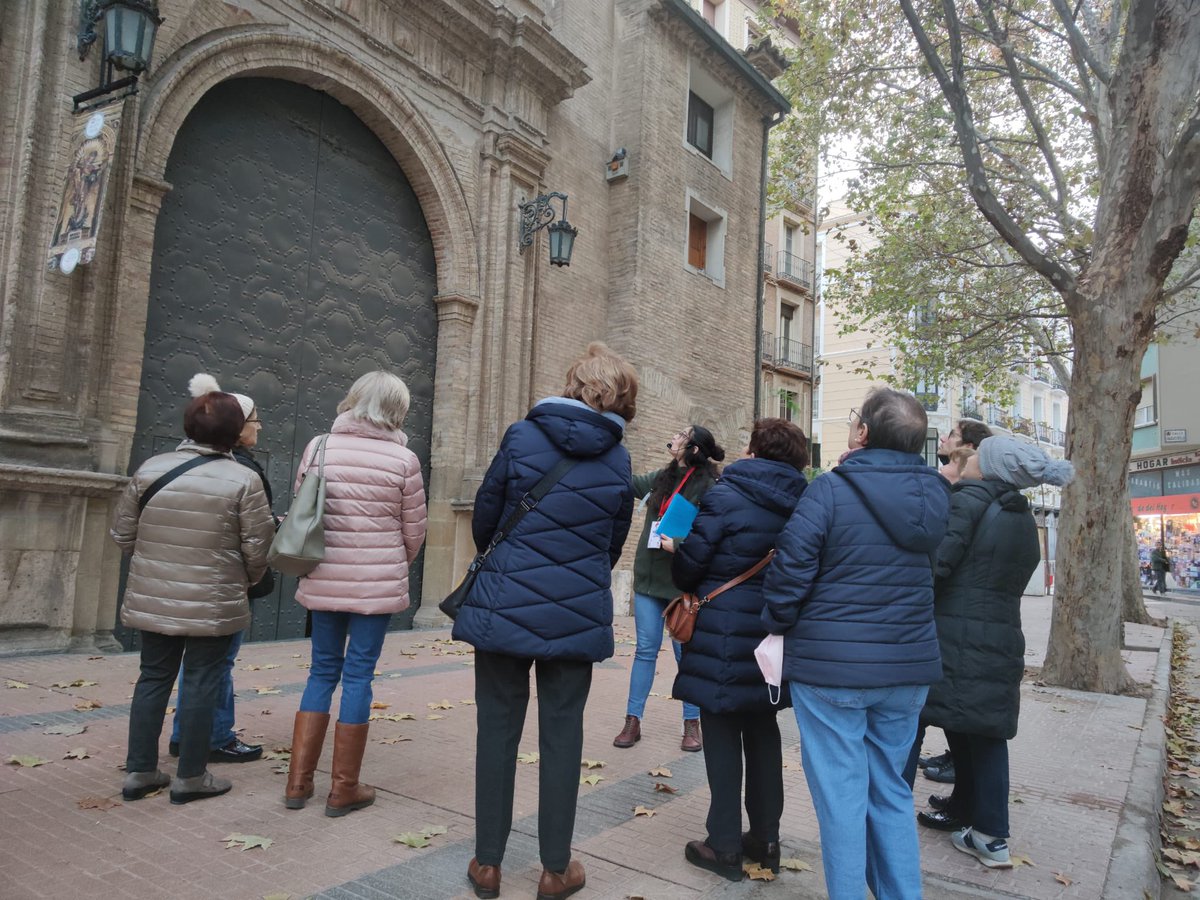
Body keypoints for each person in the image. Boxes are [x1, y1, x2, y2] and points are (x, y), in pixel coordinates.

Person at [452, 342, 638, 900]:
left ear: (573, 384)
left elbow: (487, 516)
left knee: (496, 731)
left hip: (504, 606)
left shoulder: (521, 435)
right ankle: (556, 869)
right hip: (575, 614)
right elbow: (613, 542)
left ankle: (488, 864)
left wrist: (512, 564)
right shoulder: (619, 459)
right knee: (563, 736)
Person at [762, 387, 950, 900]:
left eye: (854, 419)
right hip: (906, 669)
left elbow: (789, 575)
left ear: (863, 432)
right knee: (891, 789)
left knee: (842, 799)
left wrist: (777, 624)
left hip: (832, 670)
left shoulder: (828, 489)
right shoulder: (935, 497)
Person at [111, 384, 274, 804]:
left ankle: (140, 771)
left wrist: (155, 565)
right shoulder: (244, 479)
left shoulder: (151, 468)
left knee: (153, 677)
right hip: (214, 601)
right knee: (203, 680)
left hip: (153, 595)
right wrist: (244, 580)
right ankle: (191, 777)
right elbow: (258, 549)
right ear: (234, 430)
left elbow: (122, 534)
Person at [916, 437, 1074, 869]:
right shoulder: (1019, 514)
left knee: (961, 730)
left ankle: (990, 835)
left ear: (988, 468)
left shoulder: (968, 501)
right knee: (977, 729)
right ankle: (969, 812)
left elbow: (937, 566)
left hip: (955, 633)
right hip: (999, 634)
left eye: (977, 456)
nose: (968, 460)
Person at [668, 418, 809, 881]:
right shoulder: (806, 503)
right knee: (764, 729)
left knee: (723, 730)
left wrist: (677, 551)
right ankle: (766, 840)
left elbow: (689, 569)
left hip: (722, 633)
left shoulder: (725, 495)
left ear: (755, 450)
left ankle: (724, 845)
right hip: (773, 634)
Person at [284, 371, 427, 817]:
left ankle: (298, 783)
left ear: (353, 399)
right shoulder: (404, 460)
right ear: (398, 410)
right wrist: (390, 566)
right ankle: (343, 789)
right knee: (359, 674)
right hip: (376, 584)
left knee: (321, 672)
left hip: (324, 575)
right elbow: (414, 531)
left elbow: (302, 509)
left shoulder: (319, 447)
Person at [165, 374, 274, 764]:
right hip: (224, 580)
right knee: (216, 661)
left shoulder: (170, 465)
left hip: (181, 579)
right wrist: (252, 575)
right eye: (254, 420)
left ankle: (185, 735)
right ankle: (214, 737)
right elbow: (253, 540)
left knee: (187, 665)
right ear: (236, 426)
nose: (259, 427)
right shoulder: (241, 472)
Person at [613, 424, 725, 753]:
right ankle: (632, 720)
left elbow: (711, 535)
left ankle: (692, 723)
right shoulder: (661, 477)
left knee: (685, 655)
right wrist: (610, 445)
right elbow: (627, 482)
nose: (675, 436)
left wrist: (678, 543)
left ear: (693, 449)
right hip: (649, 579)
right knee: (645, 650)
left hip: (682, 583)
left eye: (682, 435)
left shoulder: (709, 486)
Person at [920, 421, 993, 783]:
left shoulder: (961, 492)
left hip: (953, 612)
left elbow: (944, 558)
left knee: (954, 691)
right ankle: (956, 759)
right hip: (960, 614)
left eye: (952, 434)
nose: (945, 438)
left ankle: (959, 766)